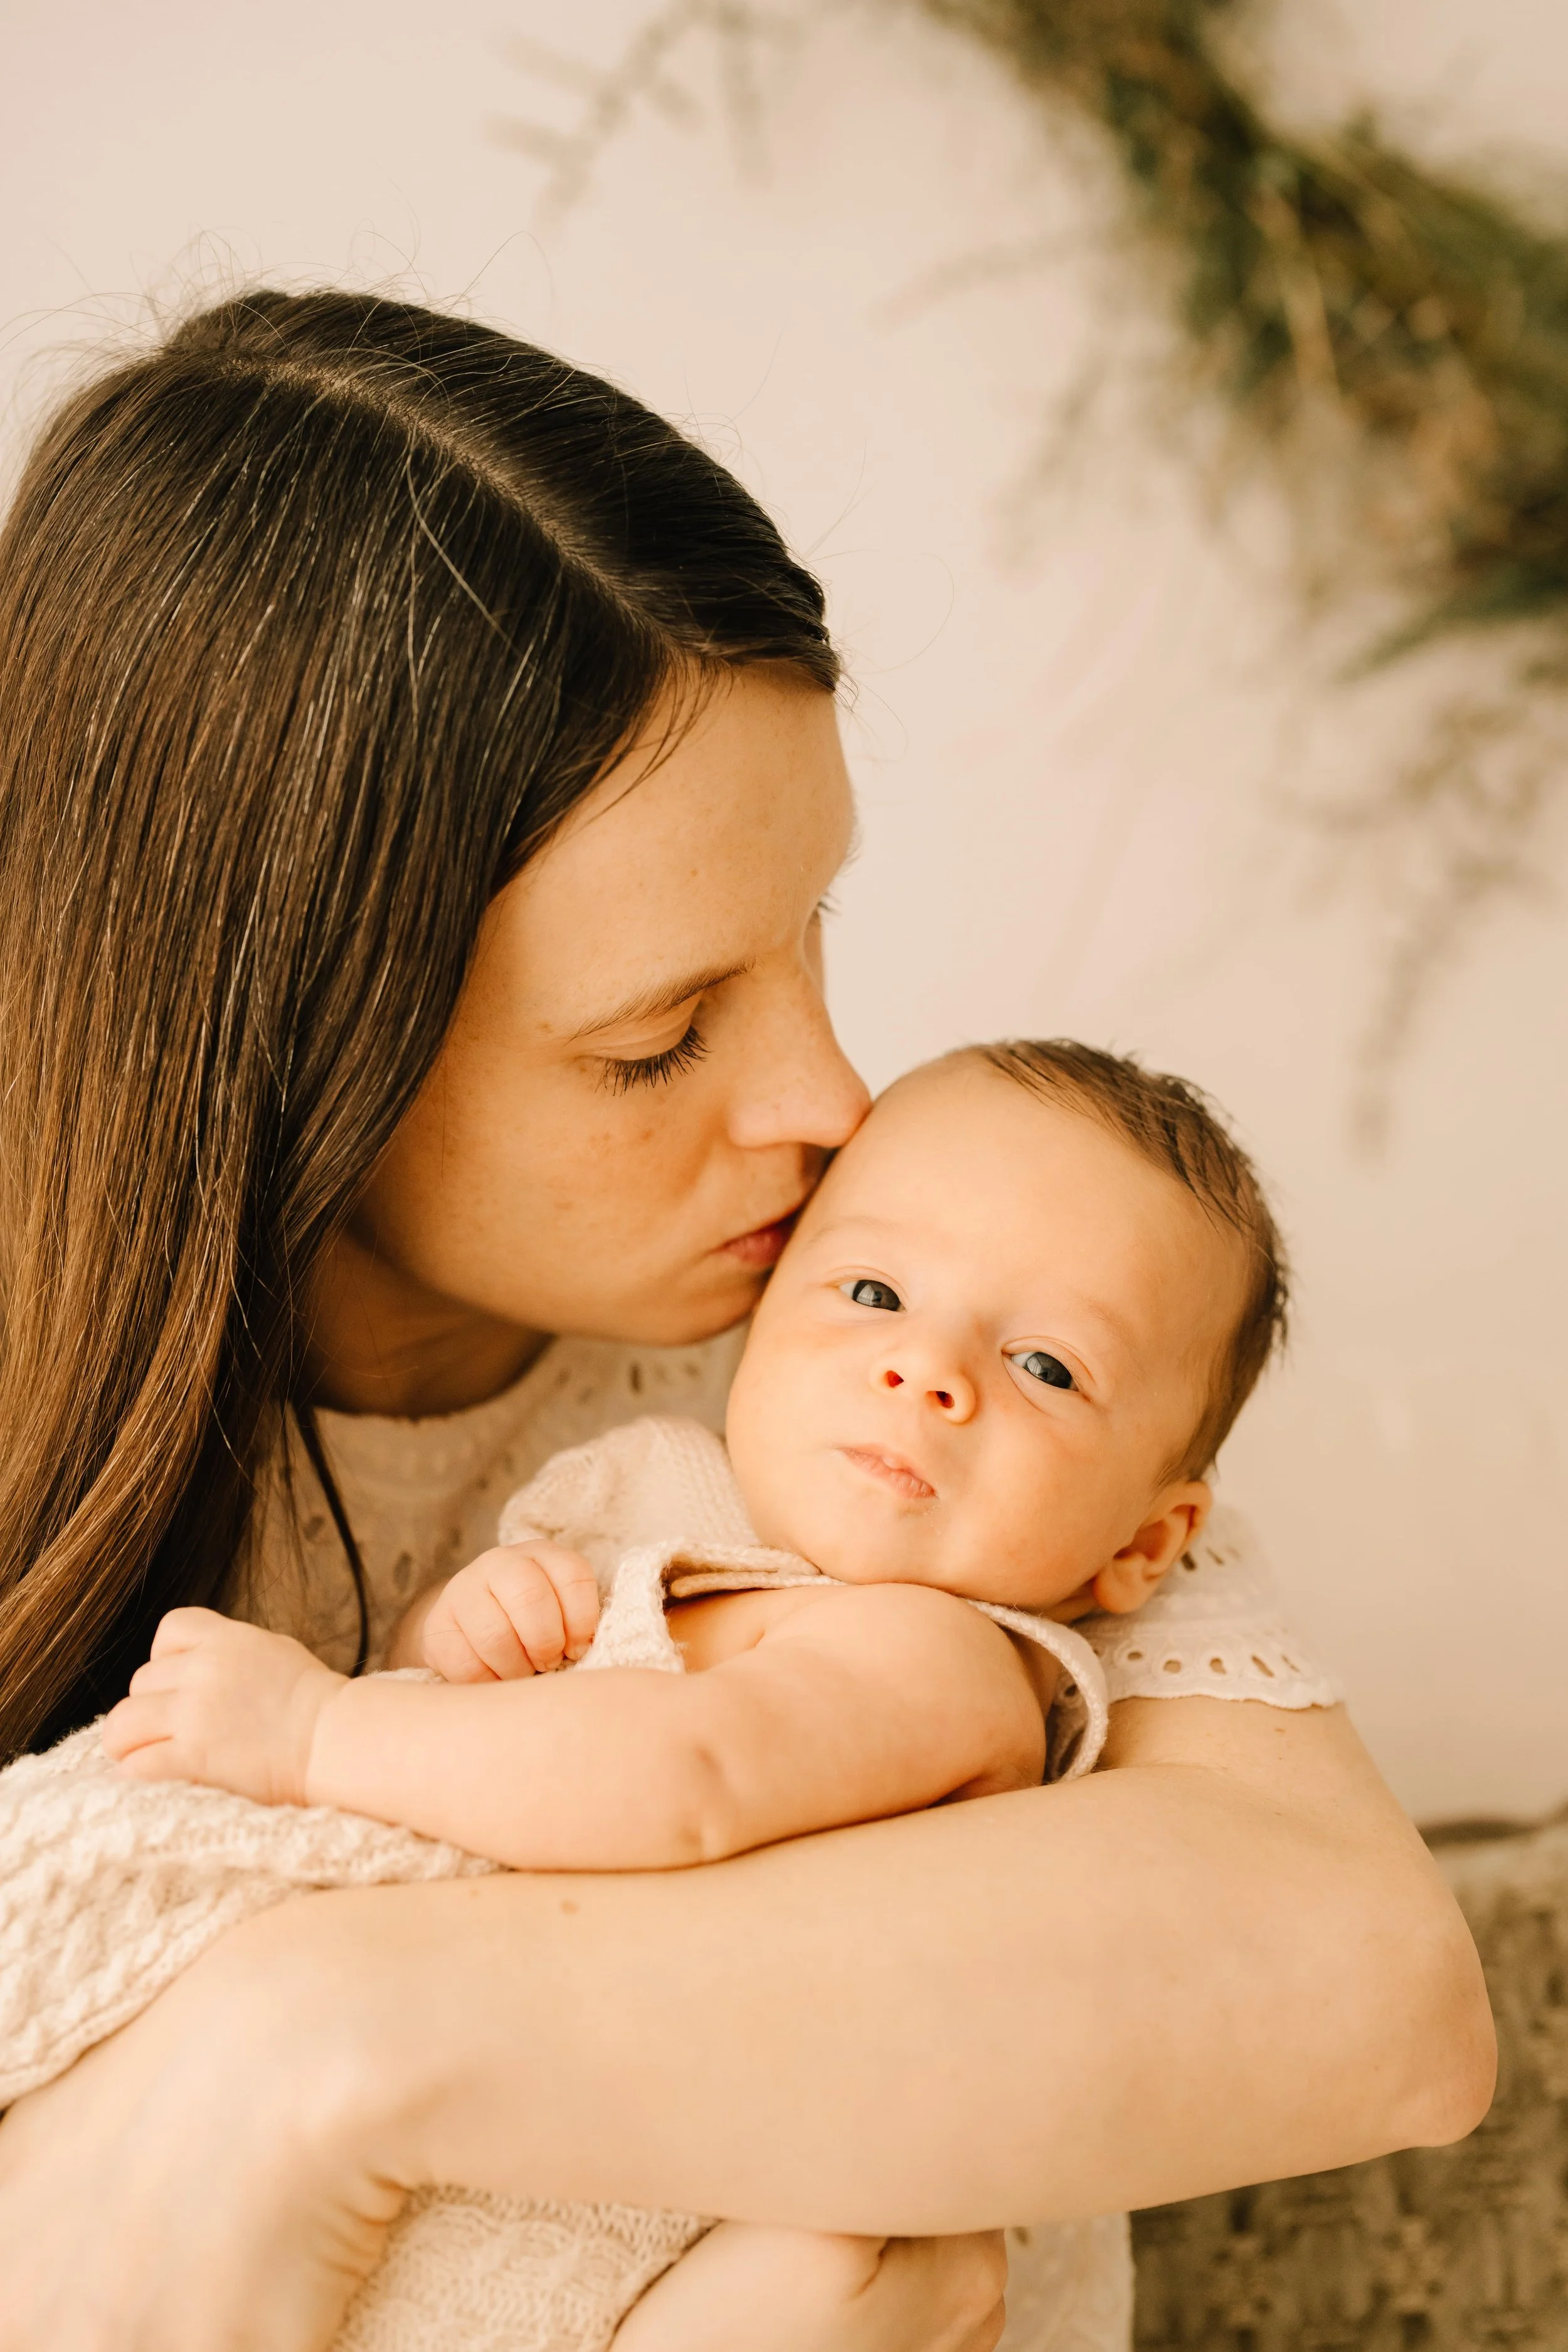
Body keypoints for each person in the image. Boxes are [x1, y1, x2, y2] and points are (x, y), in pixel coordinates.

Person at [0, 290, 1493, 2352]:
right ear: (286, 1053)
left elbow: (1370, 1993)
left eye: (810, 938)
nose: (829, 1110)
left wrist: (314, 2043)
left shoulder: (911, 1373)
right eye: (660, 1038)